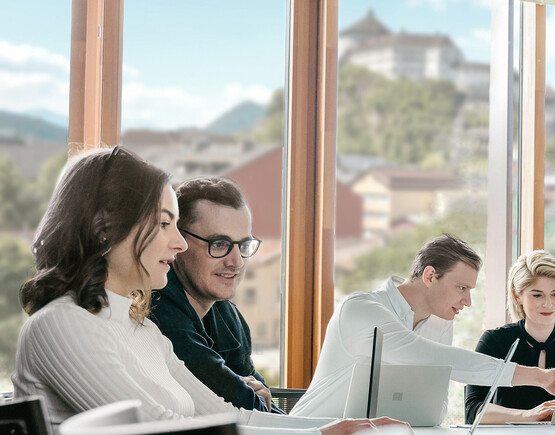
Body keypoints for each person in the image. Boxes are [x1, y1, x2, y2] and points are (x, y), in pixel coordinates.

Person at [11, 146, 406, 434]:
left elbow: (229, 416)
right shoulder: (60, 325)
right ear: (106, 230)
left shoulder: (143, 331)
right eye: (165, 224)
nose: (179, 244)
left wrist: (341, 427)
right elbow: (161, 429)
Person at [291, 234, 555, 419]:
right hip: (313, 431)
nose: (467, 301)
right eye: (461, 287)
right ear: (430, 276)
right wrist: (539, 377)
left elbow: (434, 409)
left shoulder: (439, 322)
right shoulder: (361, 310)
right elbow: (437, 359)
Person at [147, 176, 280, 413]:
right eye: (219, 244)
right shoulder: (157, 308)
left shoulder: (227, 314)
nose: (236, 262)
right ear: (178, 242)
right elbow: (241, 403)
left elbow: (264, 404)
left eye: (243, 245)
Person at [465, 250, 555, 424]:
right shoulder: (495, 340)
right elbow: (473, 410)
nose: (548, 304)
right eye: (537, 295)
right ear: (517, 295)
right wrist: (527, 416)